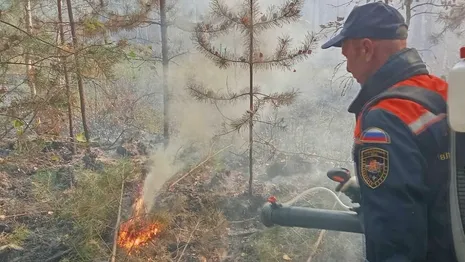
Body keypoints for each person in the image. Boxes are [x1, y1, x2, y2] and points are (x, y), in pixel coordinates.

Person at [321, 2, 457, 262]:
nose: (348, 68)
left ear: (366, 48)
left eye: (348, 56)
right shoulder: (438, 90)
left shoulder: (384, 119)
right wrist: (372, 192)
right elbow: (436, 180)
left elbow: (396, 240)